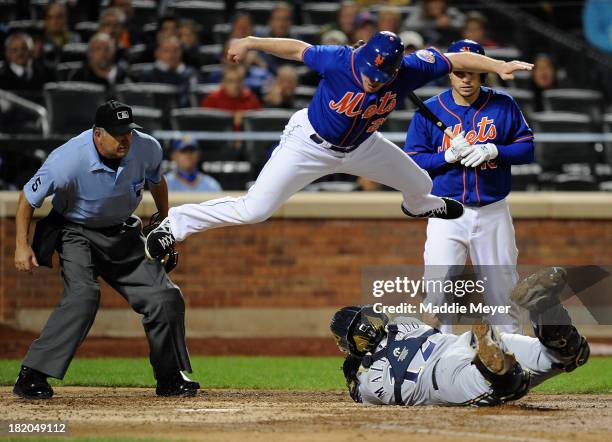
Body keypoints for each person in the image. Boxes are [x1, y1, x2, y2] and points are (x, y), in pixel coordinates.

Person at [143, 31, 533, 265]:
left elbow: (454, 58)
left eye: (380, 77)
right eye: (368, 72)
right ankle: (174, 225)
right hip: (309, 143)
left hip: (363, 144)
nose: (371, 80)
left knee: (419, 181)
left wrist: (497, 66)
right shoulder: (340, 60)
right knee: (255, 209)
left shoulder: (412, 67)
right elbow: (297, 50)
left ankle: (416, 206)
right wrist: (251, 42)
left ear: (396, 70)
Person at [12, 100, 198, 400]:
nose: (125, 138)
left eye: (128, 130)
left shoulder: (147, 147)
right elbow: (27, 198)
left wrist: (166, 224)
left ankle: (170, 377)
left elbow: (157, 181)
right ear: (98, 134)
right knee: (84, 296)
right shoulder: (67, 159)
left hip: (124, 230)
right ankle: (32, 375)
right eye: (116, 133)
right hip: (76, 232)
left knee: (165, 297)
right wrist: (21, 246)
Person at [404, 40, 534, 333]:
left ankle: (509, 366)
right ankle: (436, 367)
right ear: (449, 73)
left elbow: (527, 149)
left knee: (503, 294)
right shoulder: (430, 109)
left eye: (472, 72)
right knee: (438, 293)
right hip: (446, 210)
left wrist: (494, 151)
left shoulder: (503, 104)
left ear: (483, 72)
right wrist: (446, 157)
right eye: (459, 72)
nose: (466, 78)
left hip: (492, 209)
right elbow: (413, 159)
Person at [332, 267, 590, 406]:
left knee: (508, 386)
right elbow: (431, 319)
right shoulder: (402, 324)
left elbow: (359, 393)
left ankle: (495, 371)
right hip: (463, 342)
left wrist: (354, 377)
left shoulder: (371, 382)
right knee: (567, 355)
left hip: (441, 378)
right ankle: (544, 309)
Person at [139, 36, 200, 107]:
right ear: (157, 53)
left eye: (175, 50)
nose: (172, 54)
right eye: (166, 50)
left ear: (181, 52)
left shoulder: (190, 73)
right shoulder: (148, 74)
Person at [201, 64, 262, 129]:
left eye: (239, 80)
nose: (235, 85)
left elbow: (259, 125)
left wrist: (245, 119)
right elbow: (205, 127)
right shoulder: (211, 99)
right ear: (223, 82)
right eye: (230, 81)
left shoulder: (251, 98)